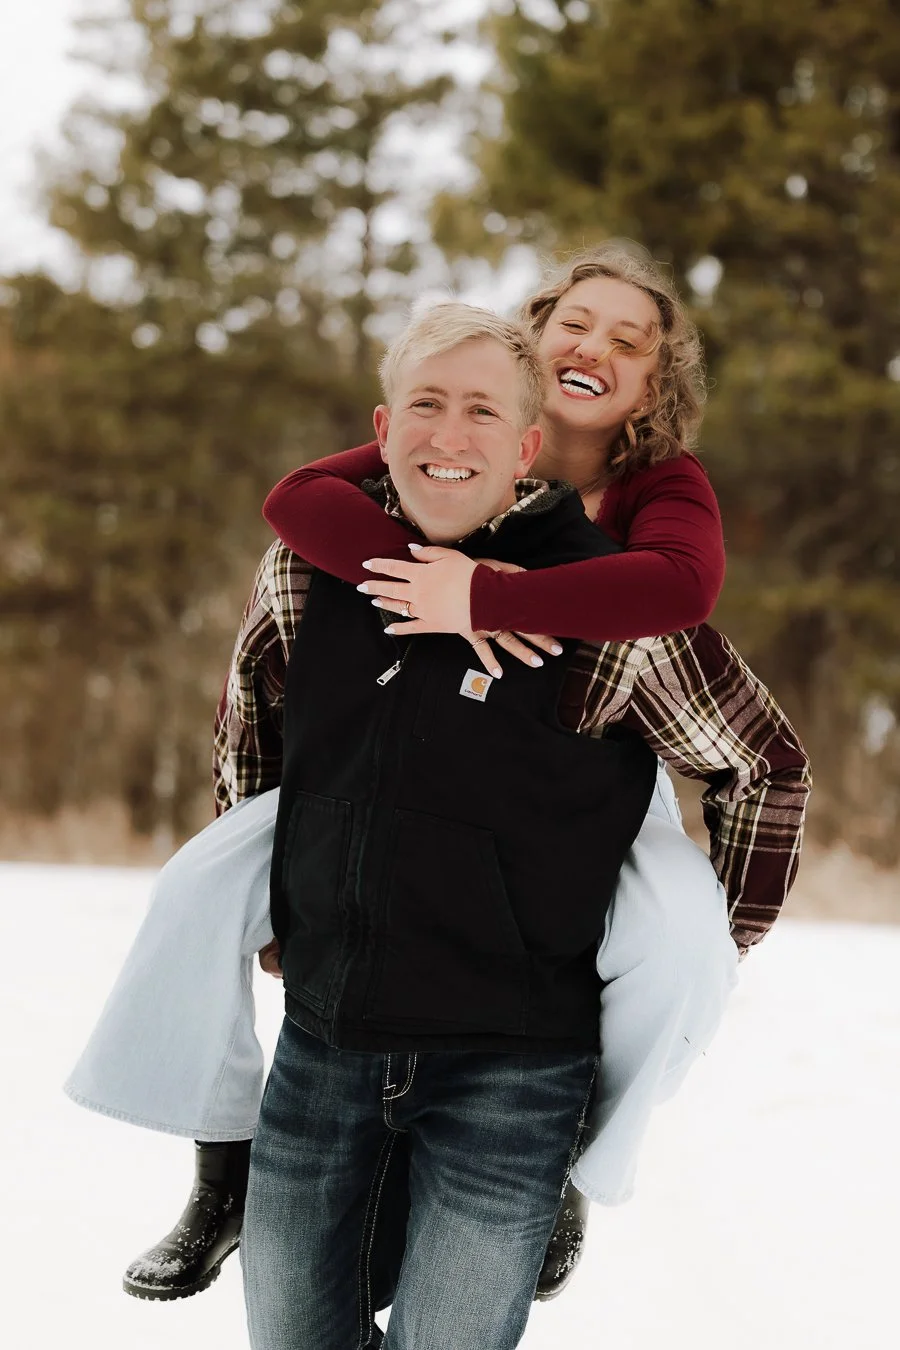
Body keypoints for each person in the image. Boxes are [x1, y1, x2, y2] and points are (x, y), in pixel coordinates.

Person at [63, 259, 808, 1315]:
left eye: (628, 342)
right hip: (382, 773)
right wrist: (419, 572)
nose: (593, 349)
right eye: (574, 324)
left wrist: (499, 595)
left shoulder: (659, 486)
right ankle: (222, 1166)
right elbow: (296, 506)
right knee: (193, 892)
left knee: (684, 950)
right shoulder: (452, 424)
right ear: (531, 337)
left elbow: (685, 592)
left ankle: (570, 1167)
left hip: (590, 780)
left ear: (651, 385)